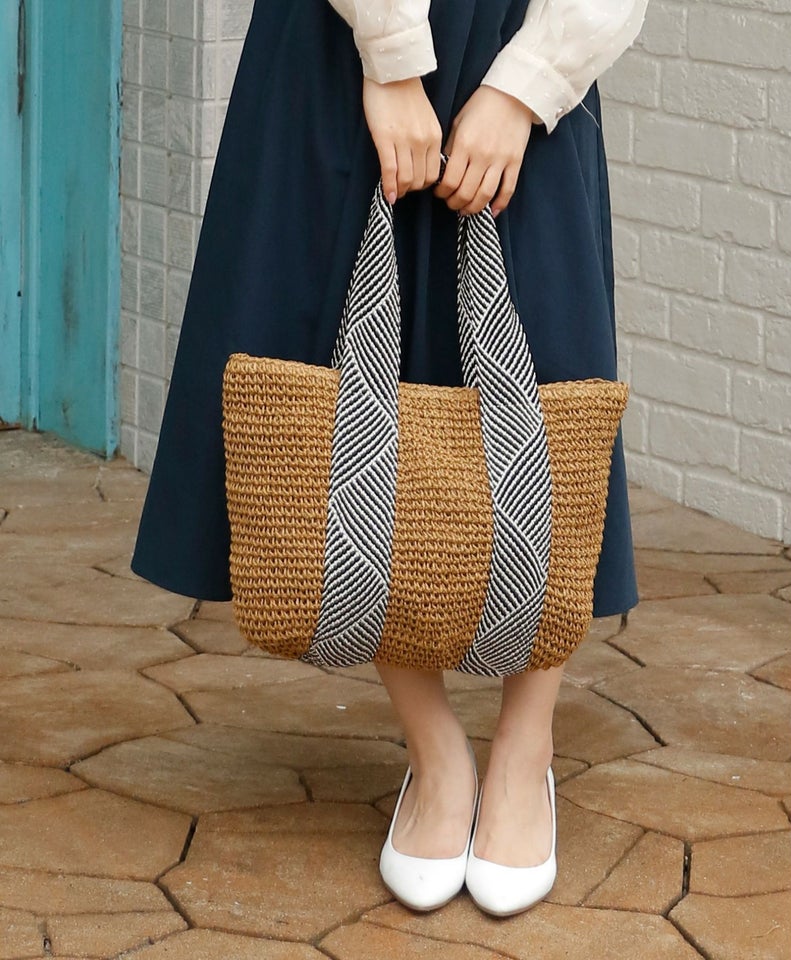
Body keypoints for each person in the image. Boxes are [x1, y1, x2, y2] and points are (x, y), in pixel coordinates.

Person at [131, 0, 649, 918]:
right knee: (338, 393)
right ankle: (435, 753)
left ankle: (525, 755)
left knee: (552, 380)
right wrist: (392, 57)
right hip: (343, 36)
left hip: (523, 35)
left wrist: (527, 87)